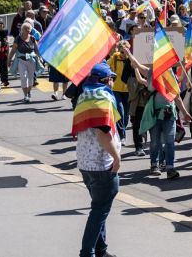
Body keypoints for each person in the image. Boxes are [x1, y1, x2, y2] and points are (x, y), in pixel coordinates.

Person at [73, 61, 122, 257]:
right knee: (99, 211)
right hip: (102, 164)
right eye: (110, 78)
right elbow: (103, 135)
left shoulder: (84, 95)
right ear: (103, 80)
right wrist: (116, 158)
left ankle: (101, 250)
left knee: (98, 207)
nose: (112, 82)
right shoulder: (102, 98)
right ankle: (87, 253)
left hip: (85, 162)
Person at [7, 22, 40, 103]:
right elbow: (13, 50)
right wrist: (9, 60)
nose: (28, 30)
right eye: (26, 29)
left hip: (31, 60)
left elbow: (36, 49)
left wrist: (39, 58)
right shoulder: (18, 38)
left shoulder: (32, 38)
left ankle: (28, 92)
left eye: (29, 29)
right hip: (21, 61)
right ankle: (25, 95)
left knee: (31, 79)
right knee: (23, 77)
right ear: (22, 30)